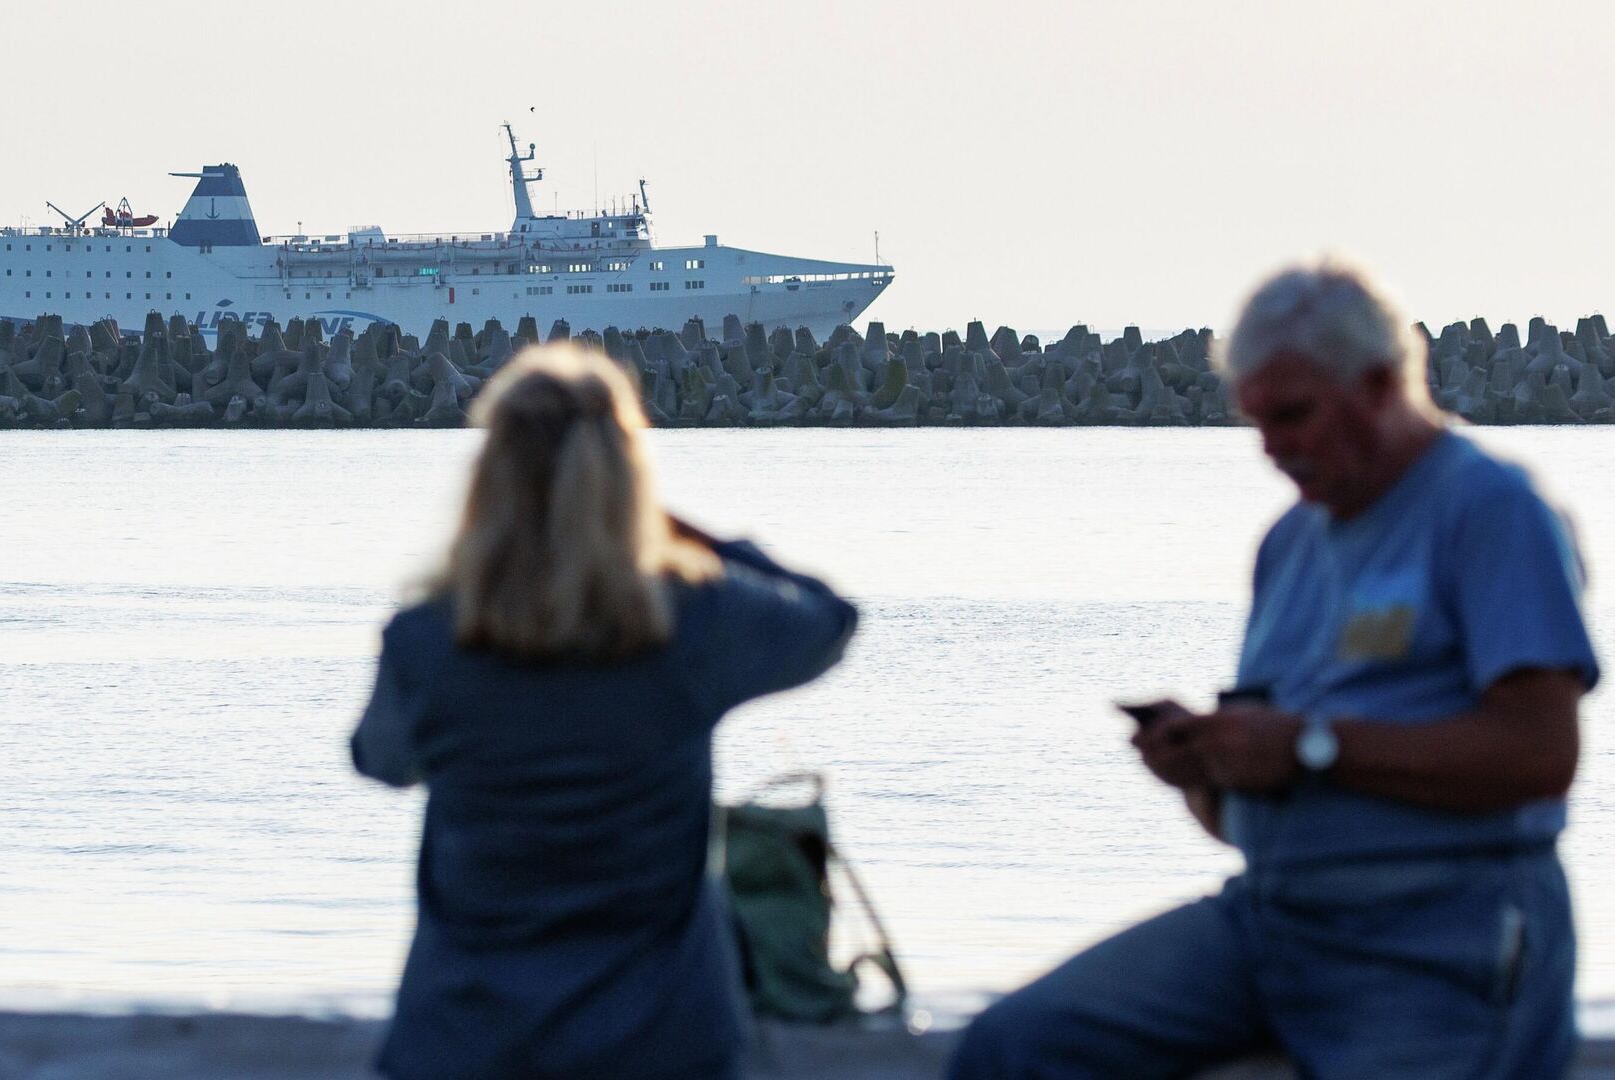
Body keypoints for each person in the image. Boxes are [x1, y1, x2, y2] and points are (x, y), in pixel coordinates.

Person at [948, 258, 1599, 1079]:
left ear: (1379, 384)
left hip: (1438, 930)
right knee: (1013, 1049)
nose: (1273, 449)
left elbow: (1541, 755)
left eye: (1292, 416)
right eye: (1255, 424)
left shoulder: (1492, 509)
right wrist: (1205, 771)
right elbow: (1252, 812)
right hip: (1275, 917)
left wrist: (1307, 746)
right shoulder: (1288, 545)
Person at [352, 341, 858, 1080]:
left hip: (467, 1041)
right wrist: (684, 532)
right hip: (660, 1045)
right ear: (624, 475)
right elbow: (830, 619)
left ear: (491, 478)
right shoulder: (691, 625)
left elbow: (381, 761)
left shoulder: (429, 641)